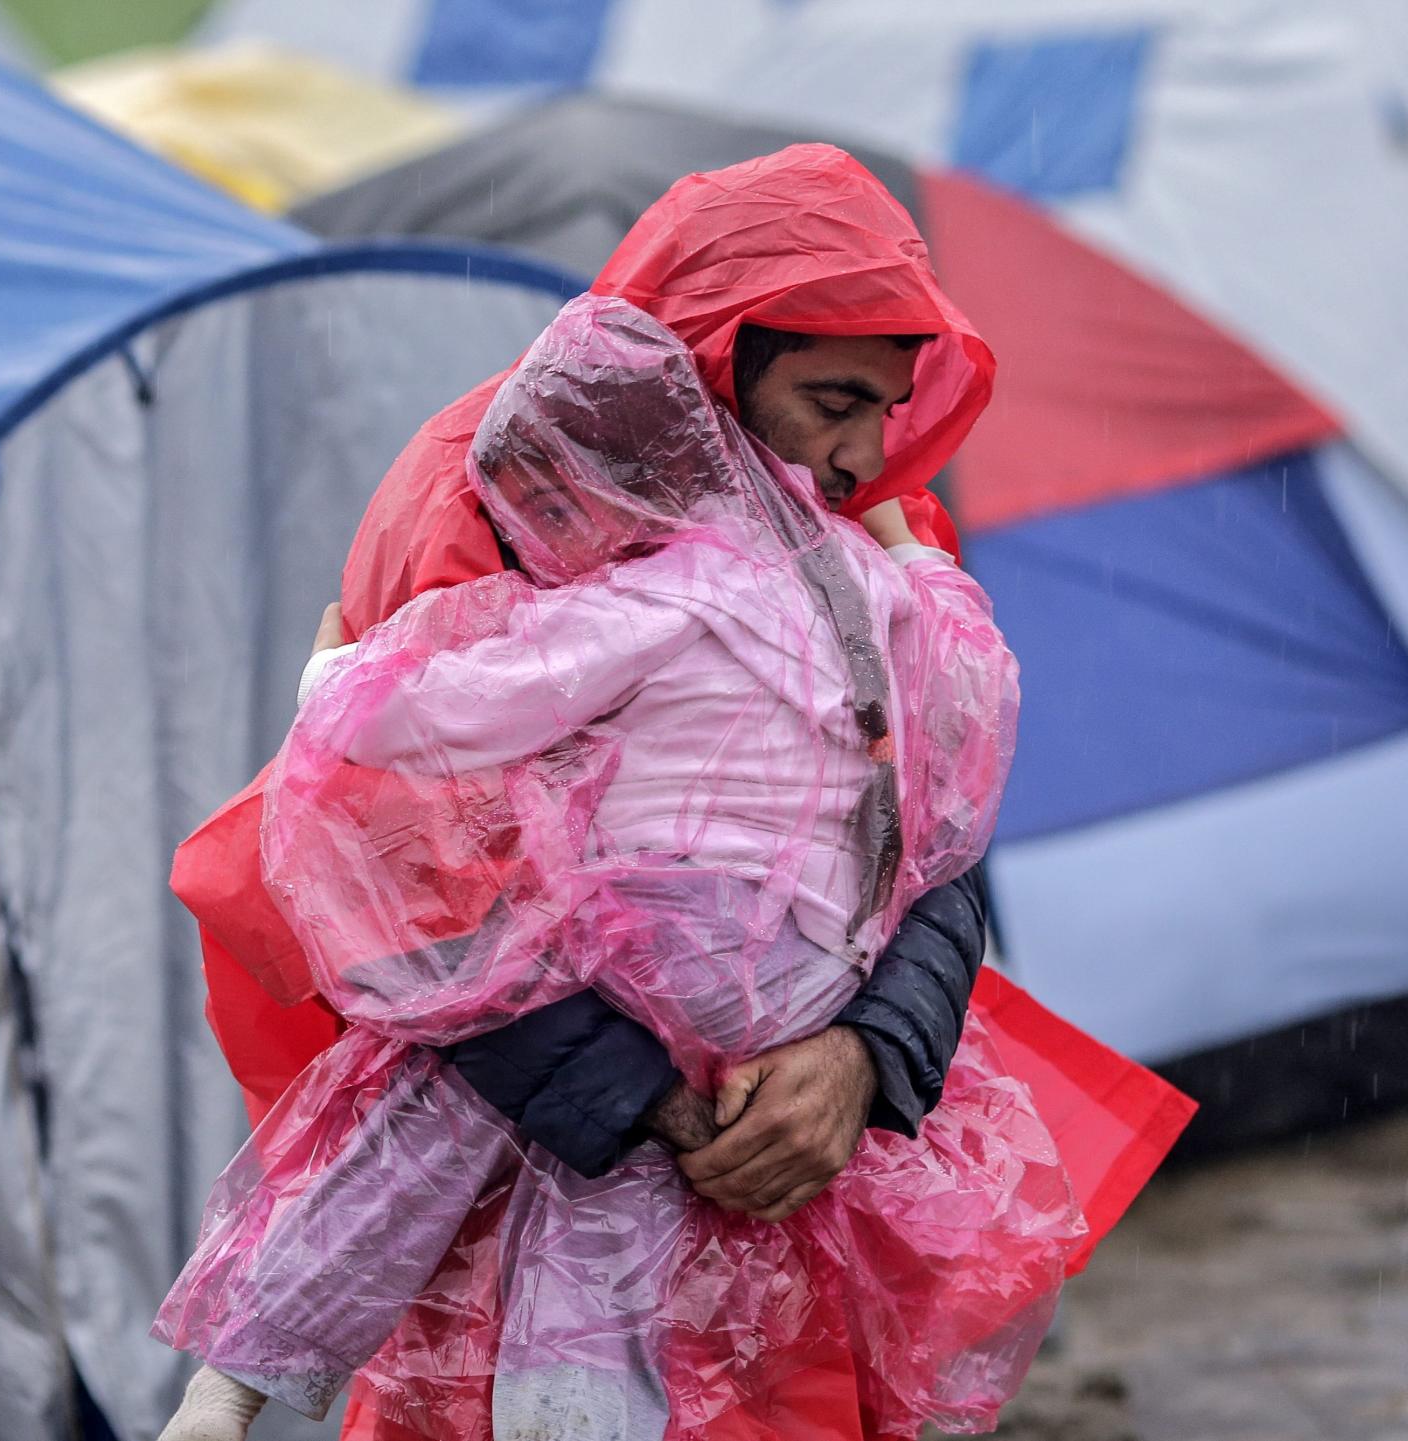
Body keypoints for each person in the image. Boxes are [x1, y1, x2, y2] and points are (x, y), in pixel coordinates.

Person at [168, 144, 1193, 1441]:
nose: (854, 451)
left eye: (879, 409)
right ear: (721, 353)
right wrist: (655, 1096)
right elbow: (405, 883)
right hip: (538, 1203)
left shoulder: (868, 532)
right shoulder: (494, 499)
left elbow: (931, 843)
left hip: (792, 1241)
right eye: (826, 400)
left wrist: (867, 1055)